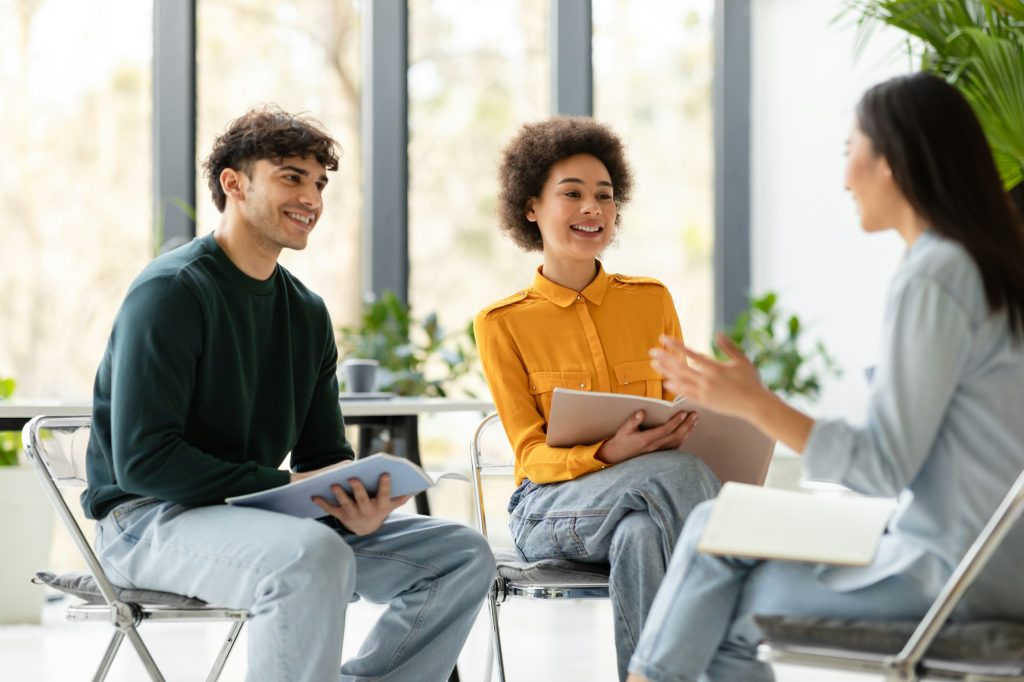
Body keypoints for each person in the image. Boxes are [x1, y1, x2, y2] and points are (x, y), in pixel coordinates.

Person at [627, 72, 1024, 682]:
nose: (844, 177)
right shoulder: (983, 266)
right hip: (984, 558)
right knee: (714, 521)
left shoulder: (936, 275)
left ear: (891, 159)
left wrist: (755, 405)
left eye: (849, 151)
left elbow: (883, 466)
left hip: (957, 575)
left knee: (722, 610)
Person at [82, 106, 494, 682]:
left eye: (319, 183)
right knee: (312, 555)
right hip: (147, 522)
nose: (312, 199)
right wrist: (286, 487)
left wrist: (354, 499)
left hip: (259, 521)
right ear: (233, 183)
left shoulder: (306, 312)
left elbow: (322, 457)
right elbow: (144, 461)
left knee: (461, 554)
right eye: (291, 177)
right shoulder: (172, 291)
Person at [474, 116, 721, 680]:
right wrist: (608, 454)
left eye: (605, 197)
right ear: (531, 207)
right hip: (550, 508)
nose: (593, 209)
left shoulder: (652, 301)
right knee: (681, 478)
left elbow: (680, 410)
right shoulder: (501, 323)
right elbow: (530, 455)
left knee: (642, 532)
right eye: (573, 194)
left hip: (644, 500)